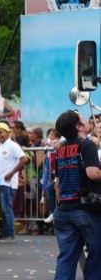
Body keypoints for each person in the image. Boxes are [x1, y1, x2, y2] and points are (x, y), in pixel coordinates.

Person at [53, 110, 101, 280]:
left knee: (67, 258)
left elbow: (57, 183)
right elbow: (93, 173)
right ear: (79, 126)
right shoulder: (86, 145)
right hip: (85, 208)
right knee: (97, 254)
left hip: (64, 209)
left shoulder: (61, 149)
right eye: (82, 119)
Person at [0, 122, 29, 242]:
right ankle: (3, 232)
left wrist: (12, 173)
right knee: (1, 210)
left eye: (1, 132)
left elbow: (24, 159)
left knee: (6, 208)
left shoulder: (12, 145)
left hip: (8, 183)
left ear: (7, 132)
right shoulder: (1, 146)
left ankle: (10, 234)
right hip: (0, 182)